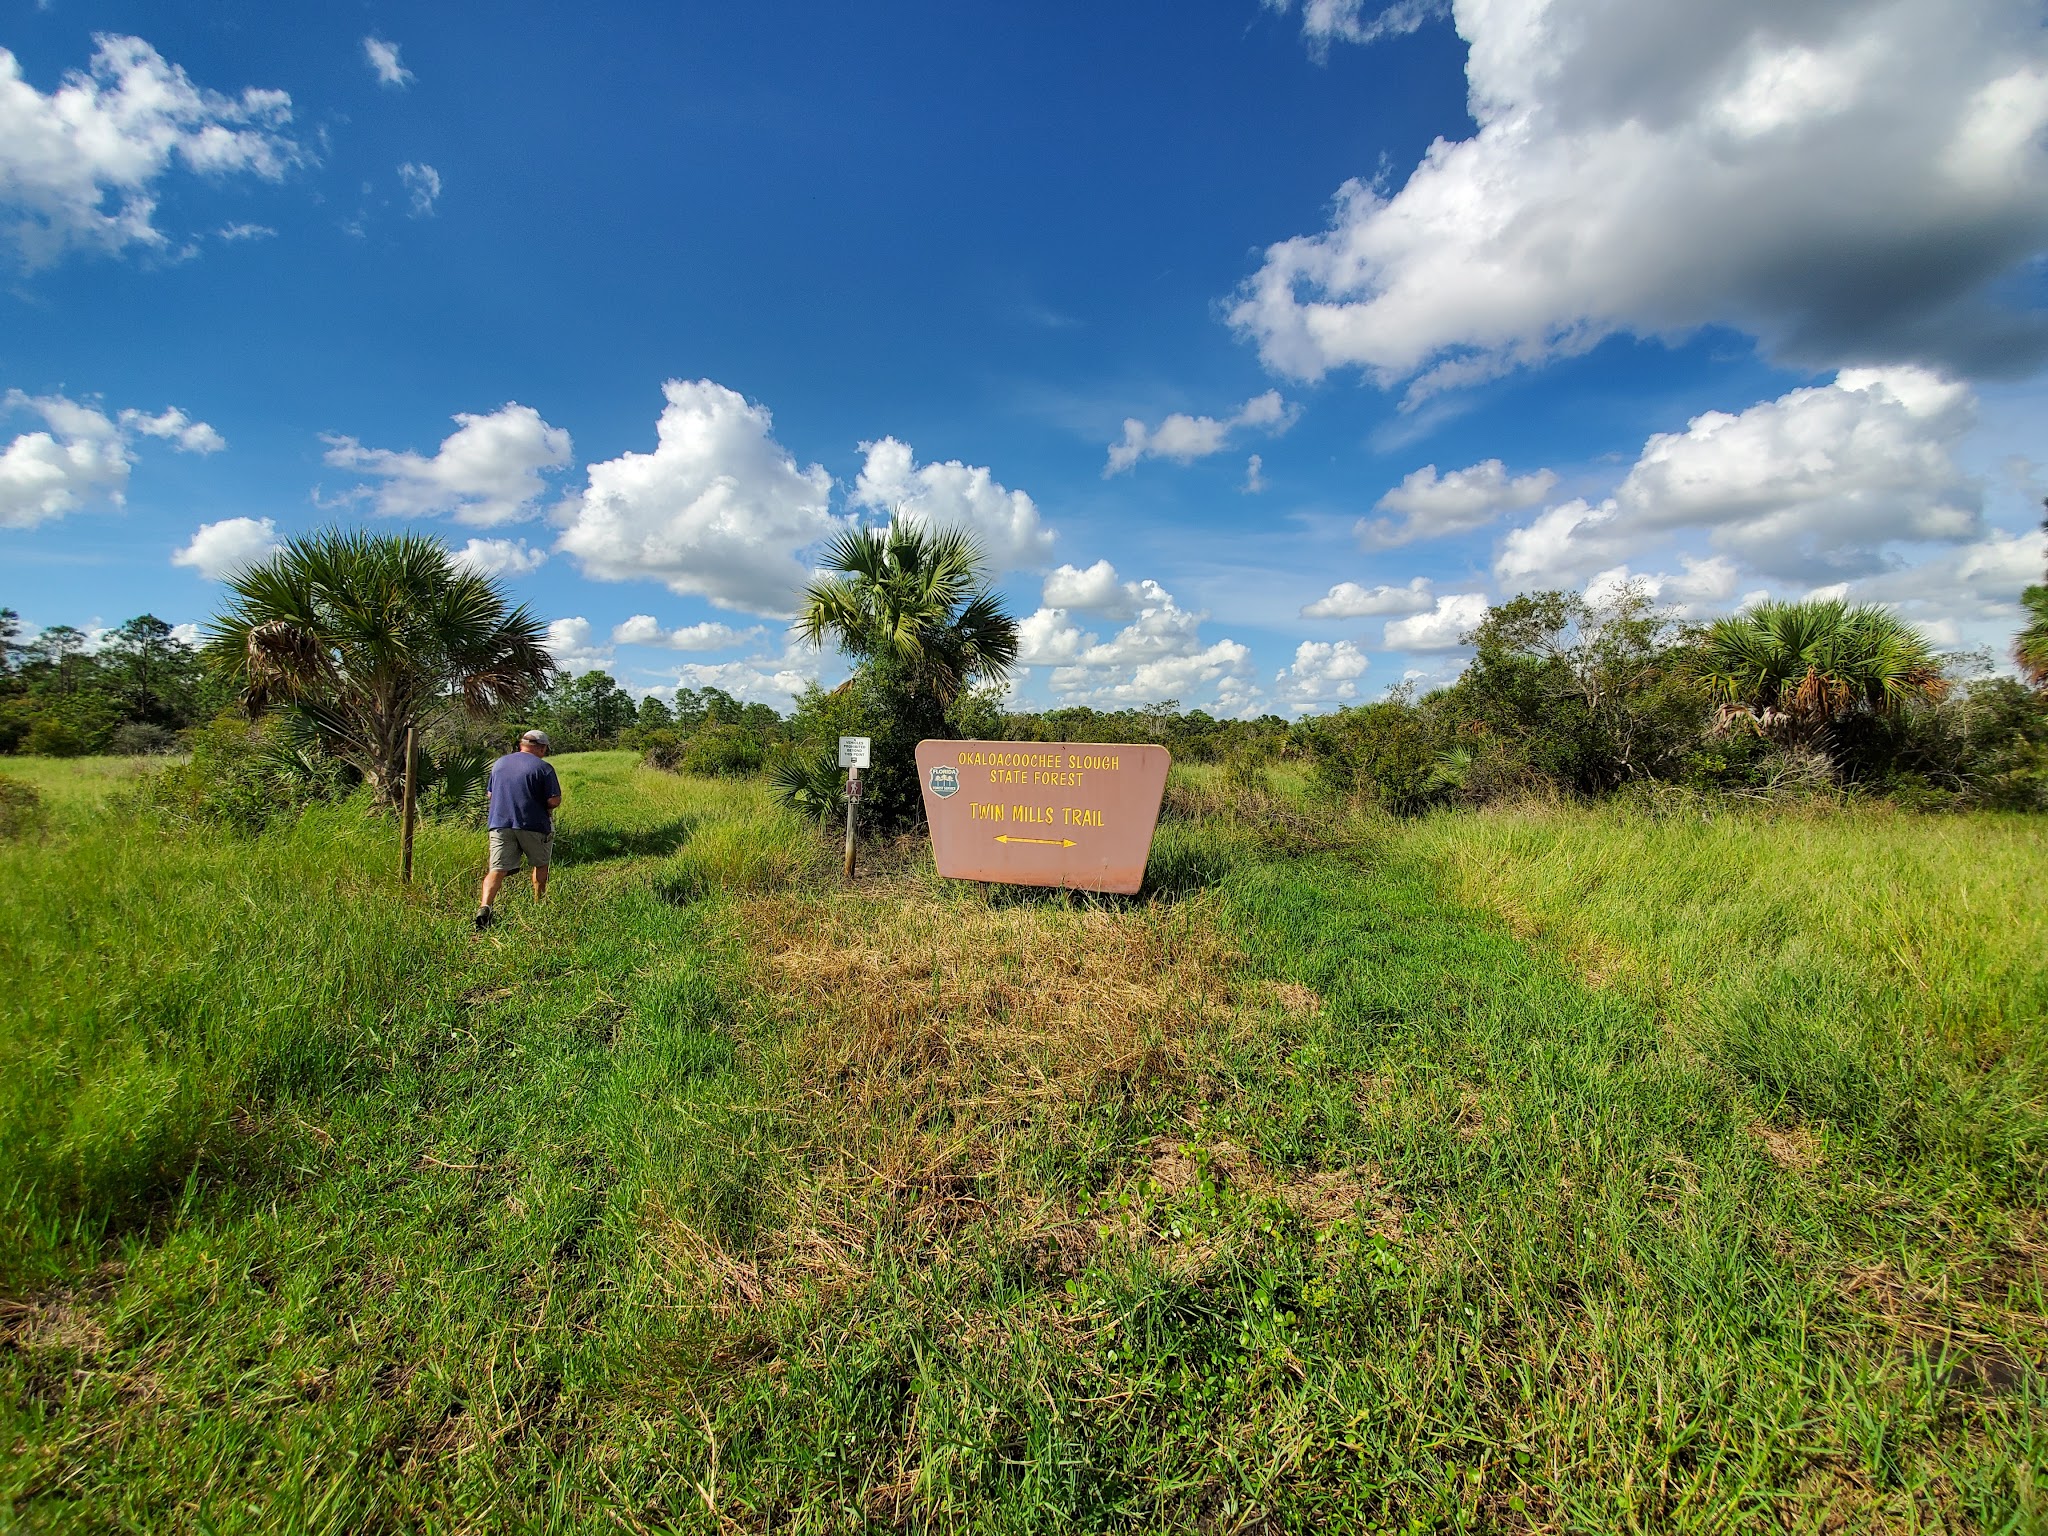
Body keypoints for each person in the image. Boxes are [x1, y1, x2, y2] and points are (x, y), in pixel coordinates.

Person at [476, 729, 562, 930]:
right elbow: (554, 800)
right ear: (541, 748)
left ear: (522, 745)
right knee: (540, 864)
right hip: (534, 824)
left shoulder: (499, 764)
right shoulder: (544, 768)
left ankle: (485, 905)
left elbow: (490, 794)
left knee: (496, 869)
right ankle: (538, 904)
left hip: (499, 824)